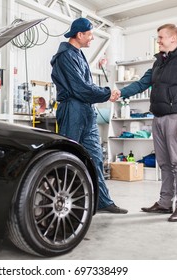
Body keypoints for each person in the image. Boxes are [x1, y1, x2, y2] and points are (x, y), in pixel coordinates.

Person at [119, 23, 177, 222]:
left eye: (161, 37)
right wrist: (119, 93)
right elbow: (141, 84)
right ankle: (165, 203)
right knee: (163, 163)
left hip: (176, 118)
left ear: (173, 38)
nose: (158, 41)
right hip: (158, 117)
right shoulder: (158, 63)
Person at [50, 17, 127, 214]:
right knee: (68, 158)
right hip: (72, 109)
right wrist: (106, 93)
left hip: (86, 110)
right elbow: (80, 88)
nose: (92, 38)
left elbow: (87, 86)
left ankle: (102, 201)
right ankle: (63, 202)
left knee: (95, 157)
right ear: (80, 34)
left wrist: (104, 92)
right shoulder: (65, 56)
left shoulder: (78, 54)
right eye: (90, 34)